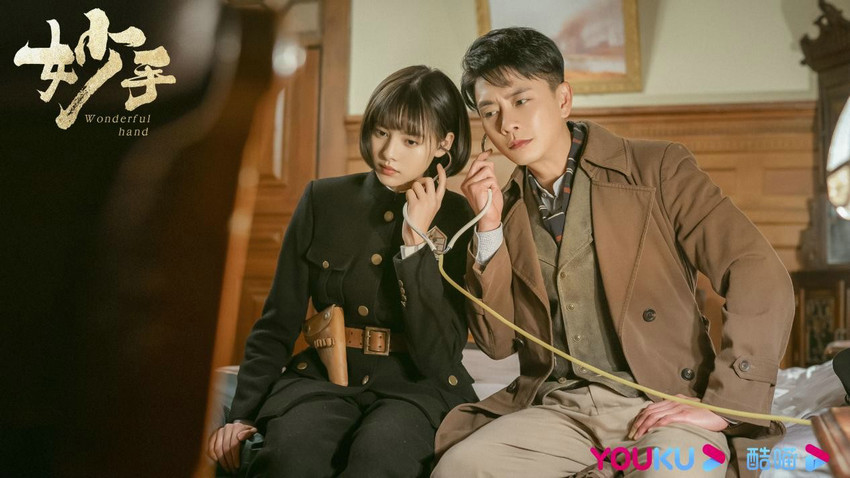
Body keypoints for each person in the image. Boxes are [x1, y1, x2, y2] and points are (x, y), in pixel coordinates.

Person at [432, 27, 795, 478]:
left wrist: (723, 405)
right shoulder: (501, 209)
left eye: (521, 100)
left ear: (563, 99)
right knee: (461, 467)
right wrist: (488, 227)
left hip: (664, 406)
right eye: (491, 112)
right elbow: (497, 343)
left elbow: (758, 271)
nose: (507, 124)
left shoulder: (657, 168)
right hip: (559, 412)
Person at [208, 65, 477, 477]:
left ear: (444, 144)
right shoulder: (323, 199)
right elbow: (278, 320)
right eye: (381, 132)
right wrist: (242, 414)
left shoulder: (459, 217)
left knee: (379, 460)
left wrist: (415, 245)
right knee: (290, 460)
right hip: (322, 380)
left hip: (414, 389)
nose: (388, 152)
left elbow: (440, 353)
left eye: (410, 140)